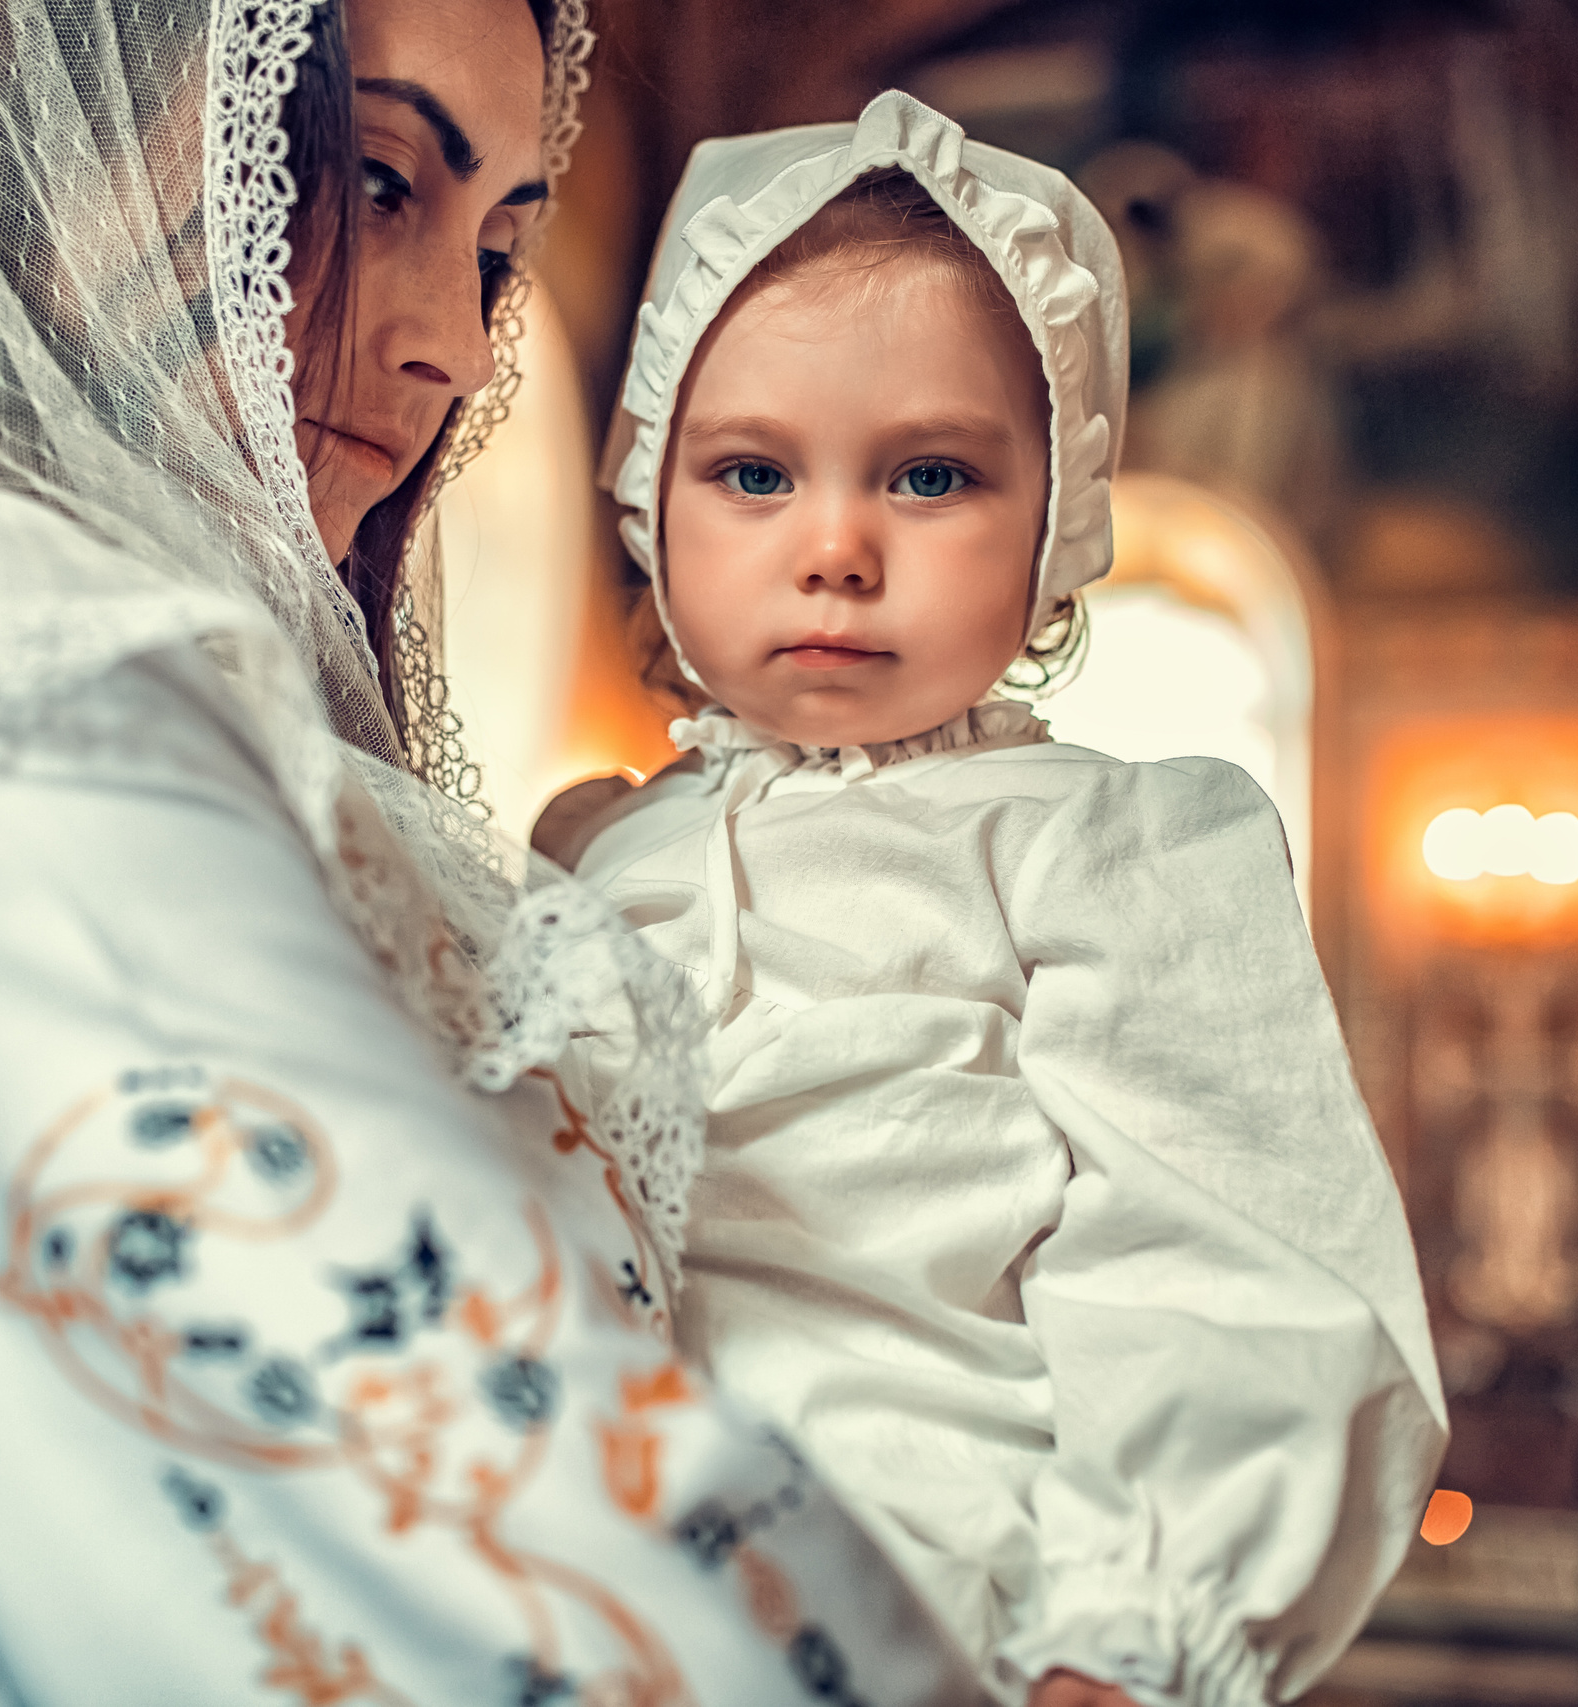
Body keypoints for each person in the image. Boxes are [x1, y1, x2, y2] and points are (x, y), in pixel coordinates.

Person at [0, 5, 988, 1702]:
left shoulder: (206, 733)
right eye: (378, 184)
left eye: (499, 256)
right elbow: (441, 1442)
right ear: (64, 154)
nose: (452, 341)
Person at [534, 92, 1450, 1707]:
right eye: (752, 472)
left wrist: (1126, 1631)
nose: (835, 546)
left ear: (1058, 518)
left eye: (932, 475)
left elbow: (1224, 1260)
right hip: (580, 1581)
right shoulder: (589, 852)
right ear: (647, 500)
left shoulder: (1111, 848)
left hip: (946, 1589)